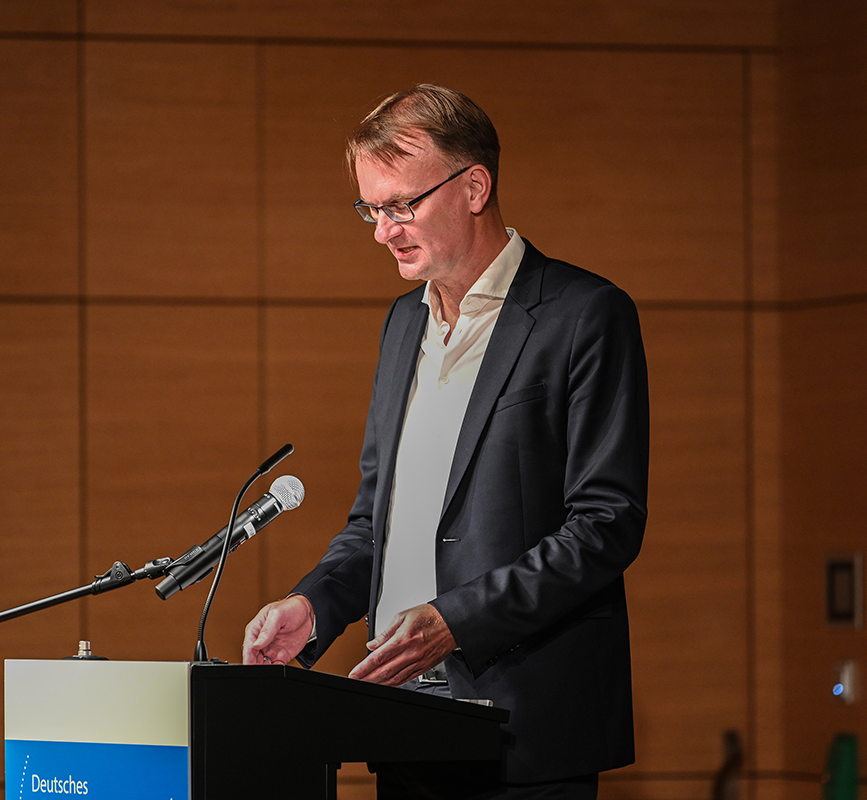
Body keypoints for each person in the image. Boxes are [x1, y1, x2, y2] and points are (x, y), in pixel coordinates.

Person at [242, 84, 649, 800]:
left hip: (526, 732)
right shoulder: (403, 326)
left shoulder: (584, 315)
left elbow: (605, 525)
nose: (382, 229)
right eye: (371, 208)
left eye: (402, 204)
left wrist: (455, 621)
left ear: (474, 187)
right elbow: (378, 519)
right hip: (402, 718)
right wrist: (316, 607)